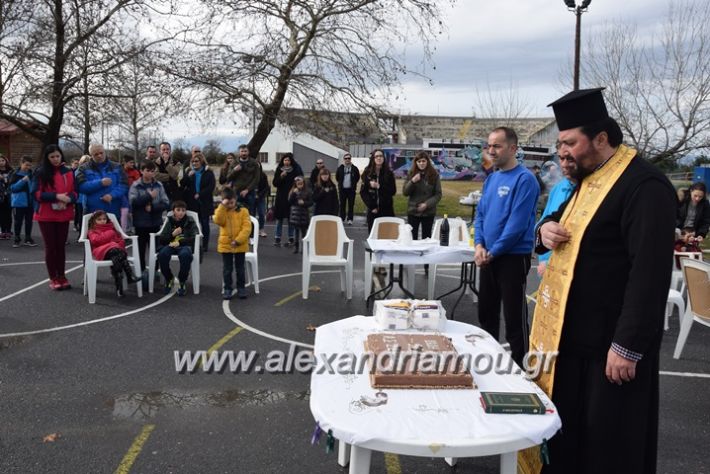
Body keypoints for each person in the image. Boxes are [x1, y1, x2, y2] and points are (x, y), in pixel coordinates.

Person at [531, 88, 676, 473]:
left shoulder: (645, 186)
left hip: (610, 350)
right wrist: (545, 229)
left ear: (601, 138)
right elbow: (555, 217)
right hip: (571, 342)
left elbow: (650, 273)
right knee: (570, 441)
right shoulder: (591, 178)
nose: (564, 152)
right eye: (560, 143)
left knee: (608, 447)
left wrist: (627, 346)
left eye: (570, 143)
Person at [473, 127, 539, 367]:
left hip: (512, 258)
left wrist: (493, 251)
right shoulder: (491, 178)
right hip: (488, 256)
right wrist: (479, 245)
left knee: (514, 319)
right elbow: (480, 215)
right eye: (489, 145)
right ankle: (489, 363)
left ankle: (523, 370)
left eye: (497, 146)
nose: (491, 150)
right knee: (486, 314)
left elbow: (517, 225)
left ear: (513, 148)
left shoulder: (525, 179)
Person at [32, 145, 77, 290]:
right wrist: (56, 196)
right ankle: (53, 278)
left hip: (64, 213)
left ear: (61, 156)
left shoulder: (69, 171)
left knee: (61, 247)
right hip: (46, 215)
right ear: (47, 158)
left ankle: (62, 276)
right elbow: (36, 194)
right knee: (51, 247)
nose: (56, 159)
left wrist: (68, 199)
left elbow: (75, 193)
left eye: (57, 156)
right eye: (52, 157)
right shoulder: (40, 172)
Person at [535, 157, 577, 276]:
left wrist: (547, 261)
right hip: (548, 273)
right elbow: (542, 224)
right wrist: (543, 259)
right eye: (562, 159)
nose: (564, 164)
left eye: (570, 159)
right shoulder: (558, 188)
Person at [129, 161, 170, 272]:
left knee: (156, 250)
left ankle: (155, 271)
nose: (150, 173)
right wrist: (148, 196)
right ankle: (141, 271)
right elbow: (133, 202)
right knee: (140, 250)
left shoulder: (159, 185)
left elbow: (166, 203)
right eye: (147, 171)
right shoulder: (136, 185)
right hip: (140, 224)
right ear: (142, 171)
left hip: (155, 222)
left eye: (152, 171)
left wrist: (153, 208)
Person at [87, 210, 139, 297]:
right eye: (99, 219)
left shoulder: (112, 228)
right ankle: (129, 276)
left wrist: (115, 243)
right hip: (101, 251)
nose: (102, 221)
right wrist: (110, 235)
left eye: (104, 219)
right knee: (118, 251)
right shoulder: (93, 230)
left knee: (117, 255)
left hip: (115, 251)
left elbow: (120, 240)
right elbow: (95, 241)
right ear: (94, 221)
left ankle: (119, 284)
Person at [214, 188, 251, 300]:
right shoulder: (222, 210)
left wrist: (238, 240)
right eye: (227, 203)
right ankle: (227, 288)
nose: (230, 205)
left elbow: (247, 228)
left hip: (240, 244)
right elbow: (218, 220)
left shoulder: (243, 211)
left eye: (232, 202)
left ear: (235, 200)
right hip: (226, 245)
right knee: (227, 269)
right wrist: (222, 206)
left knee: (240, 268)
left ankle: (241, 287)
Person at [157, 200, 198, 296]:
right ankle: (169, 278)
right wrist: (172, 235)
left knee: (185, 255)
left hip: (184, 245)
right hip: (170, 245)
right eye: (178, 210)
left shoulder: (190, 220)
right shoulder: (169, 221)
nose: (181, 212)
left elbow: (193, 237)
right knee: (162, 254)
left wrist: (179, 242)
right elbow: (162, 239)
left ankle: (182, 281)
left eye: (183, 210)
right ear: (173, 211)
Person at [75, 143, 128, 217]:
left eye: (101, 153)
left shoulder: (117, 166)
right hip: (92, 212)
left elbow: (124, 185)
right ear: (91, 155)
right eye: (96, 154)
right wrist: (100, 183)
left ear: (104, 151)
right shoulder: (83, 168)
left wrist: (112, 195)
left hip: (113, 210)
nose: (99, 156)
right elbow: (81, 187)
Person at [402, 151, 442, 240]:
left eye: (423, 161)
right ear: (416, 163)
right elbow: (405, 192)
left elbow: (438, 194)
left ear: (427, 161)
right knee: (412, 238)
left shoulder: (434, 175)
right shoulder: (411, 173)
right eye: (419, 161)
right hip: (413, 211)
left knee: (427, 238)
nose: (421, 163)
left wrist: (427, 204)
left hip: (428, 212)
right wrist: (412, 181)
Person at [181, 152, 215, 252]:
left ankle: (205, 245)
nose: (195, 163)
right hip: (192, 203)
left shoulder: (208, 172)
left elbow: (211, 187)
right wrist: (187, 176)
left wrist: (200, 194)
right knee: (193, 225)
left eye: (197, 161)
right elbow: (182, 184)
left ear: (201, 161)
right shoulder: (189, 172)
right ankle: (193, 244)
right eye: (193, 161)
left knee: (205, 224)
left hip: (204, 202)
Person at [359, 149, 396, 232]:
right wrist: (372, 206)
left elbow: (393, 191)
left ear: (384, 158)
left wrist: (380, 186)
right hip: (373, 211)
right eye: (376, 156)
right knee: (373, 237)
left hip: (387, 210)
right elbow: (363, 192)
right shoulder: (368, 173)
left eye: (381, 156)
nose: (379, 158)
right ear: (373, 158)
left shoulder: (389, 173)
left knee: (387, 237)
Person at [272, 153, 303, 246]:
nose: (287, 162)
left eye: (288, 160)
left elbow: (300, 181)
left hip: (291, 196)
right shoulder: (279, 169)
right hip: (281, 197)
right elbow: (275, 183)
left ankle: (291, 238)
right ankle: (277, 237)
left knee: (291, 218)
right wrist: (281, 176)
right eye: (285, 160)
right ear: (282, 161)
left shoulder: (295, 170)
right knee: (279, 219)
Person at [9, 156, 37, 247]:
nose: (28, 167)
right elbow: (12, 188)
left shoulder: (32, 174)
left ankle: (28, 238)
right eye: (26, 165)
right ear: (21, 163)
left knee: (29, 221)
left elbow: (34, 188)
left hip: (30, 202)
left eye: (30, 165)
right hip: (19, 202)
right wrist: (22, 181)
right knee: (18, 221)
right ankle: (17, 238)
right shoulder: (15, 174)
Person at [227, 144, 260, 214]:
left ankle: (250, 225)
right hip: (237, 191)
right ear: (239, 153)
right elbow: (228, 177)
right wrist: (234, 170)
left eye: (245, 151)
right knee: (236, 213)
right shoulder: (234, 163)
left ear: (248, 152)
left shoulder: (254, 163)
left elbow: (256, 178)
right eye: (242, 151)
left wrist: (247, 190)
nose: (244, 153)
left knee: (250, 213)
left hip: (250, 192)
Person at [288, 176, 312, 254]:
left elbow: (311, 202)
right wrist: (294, 194)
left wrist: (304, 203)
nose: (299, 185)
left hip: (304, 215)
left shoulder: (307, 191)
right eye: (298, 184)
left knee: (304, 233)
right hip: (295, 214)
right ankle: (296, 247)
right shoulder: (293, 191)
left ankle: (303, 248)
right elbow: (290, 201)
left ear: (303, 184)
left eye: (301, 184)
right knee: (296, 233)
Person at [335, 153, 360, 224]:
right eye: (346, 158)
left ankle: (350, 219)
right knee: (342, 205)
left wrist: (353, 184)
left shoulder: (355, 168)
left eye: (349, 158)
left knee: (351, 205)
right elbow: (337, 177)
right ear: (344, 160)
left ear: (350, 159)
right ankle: (342, 218)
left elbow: (357, 177)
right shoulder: (340, 168)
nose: (347, 160)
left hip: (351, 190)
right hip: (342, 190)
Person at [0, 154, 13, 239]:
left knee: (8, 214)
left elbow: (13, 182)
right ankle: (3, 231)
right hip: (0, 196)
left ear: (6, 161)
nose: (1, 162)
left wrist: (4, 179)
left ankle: (8, 231)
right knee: (1, 214)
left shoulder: (11, 171)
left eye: (2, 160)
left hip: (9, 196)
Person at [255, 168, 270, 237]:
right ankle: (252, 231)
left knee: (261, 213)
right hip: (251, 196)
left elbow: (266, 187)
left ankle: (261, 229)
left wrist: (259, 195)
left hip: (260, 197)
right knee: (251, 214)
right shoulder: (249, 174)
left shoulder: (263, 175)